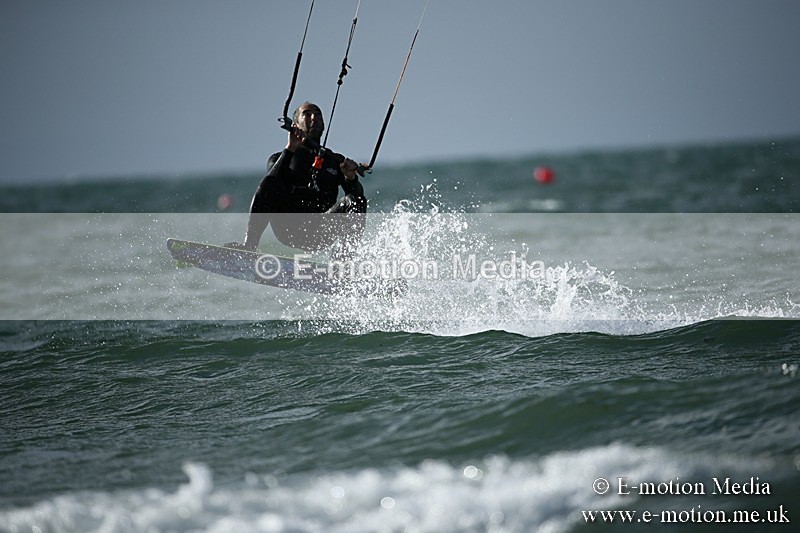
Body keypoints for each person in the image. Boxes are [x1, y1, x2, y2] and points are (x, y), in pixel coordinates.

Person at [228, 102, 367, 255]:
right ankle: (250, 246)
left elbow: (357, 198)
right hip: (289, 228)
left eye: (318, 114)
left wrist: (350, 177)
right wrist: (290, 149)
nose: (314, 117)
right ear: (295, 125)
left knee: (356, 200)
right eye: (307, 114)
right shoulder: (280, 158)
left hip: (321, 231)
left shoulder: (335, 161)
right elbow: (269, 186)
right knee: (270, 182)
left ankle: (344, 261)